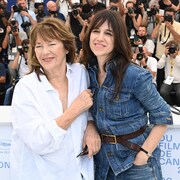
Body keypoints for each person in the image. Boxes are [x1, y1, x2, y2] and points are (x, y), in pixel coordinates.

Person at [82, 9, 173, 179]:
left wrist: (143, 154)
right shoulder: (87, 73)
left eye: (108, 33)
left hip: (135, 163)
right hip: (102, 164)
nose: (99, 38)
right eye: (96, 31)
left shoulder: (134, 75)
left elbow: (163, 115)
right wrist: (91, 126)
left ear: (118, 39)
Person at [10, 17, 101, 180]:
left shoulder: (80, 73)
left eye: (51, 44)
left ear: (66, 47)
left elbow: (90, 111)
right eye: (39, 46)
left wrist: (91, 126)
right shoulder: (25, 88)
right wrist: (74, 110)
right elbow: (39, 141)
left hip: (78, 173)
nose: (45, 52)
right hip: (39, 174)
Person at [157, 40, 180, 106]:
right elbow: (159, 66)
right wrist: (164, 55)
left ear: (177, 49)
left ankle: (178, 106)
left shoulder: (179, 57)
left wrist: (176, 57)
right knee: (163, 92)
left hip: (178, 81)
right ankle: (170, 106)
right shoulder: (165, 57)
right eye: (169, 49)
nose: (171, 50)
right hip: (168, 80)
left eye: (173, 49)